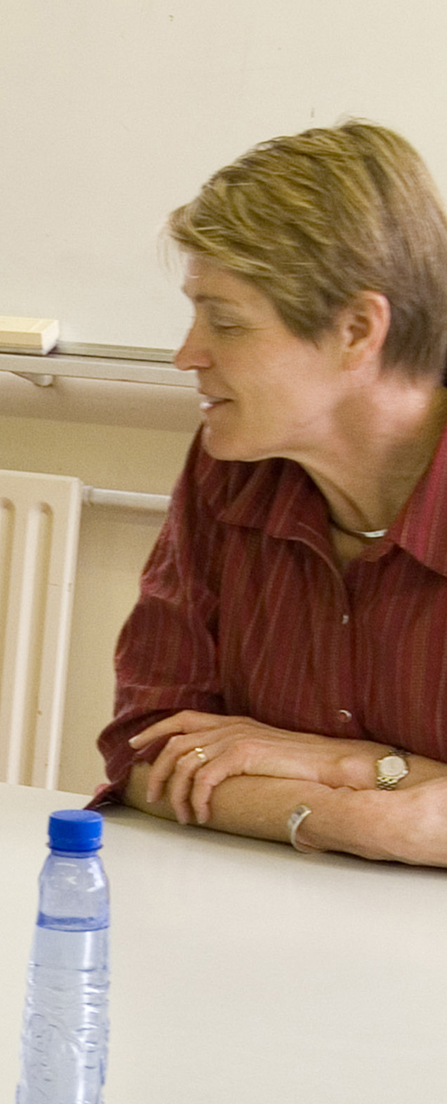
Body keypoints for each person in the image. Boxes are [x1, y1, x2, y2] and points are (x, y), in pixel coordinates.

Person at [100, 120, 447, 866]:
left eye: (224, 321)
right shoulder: (231, 467)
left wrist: (330, 763)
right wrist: (358, 811)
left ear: (358, 329)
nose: (187, 354)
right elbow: (148, 753)